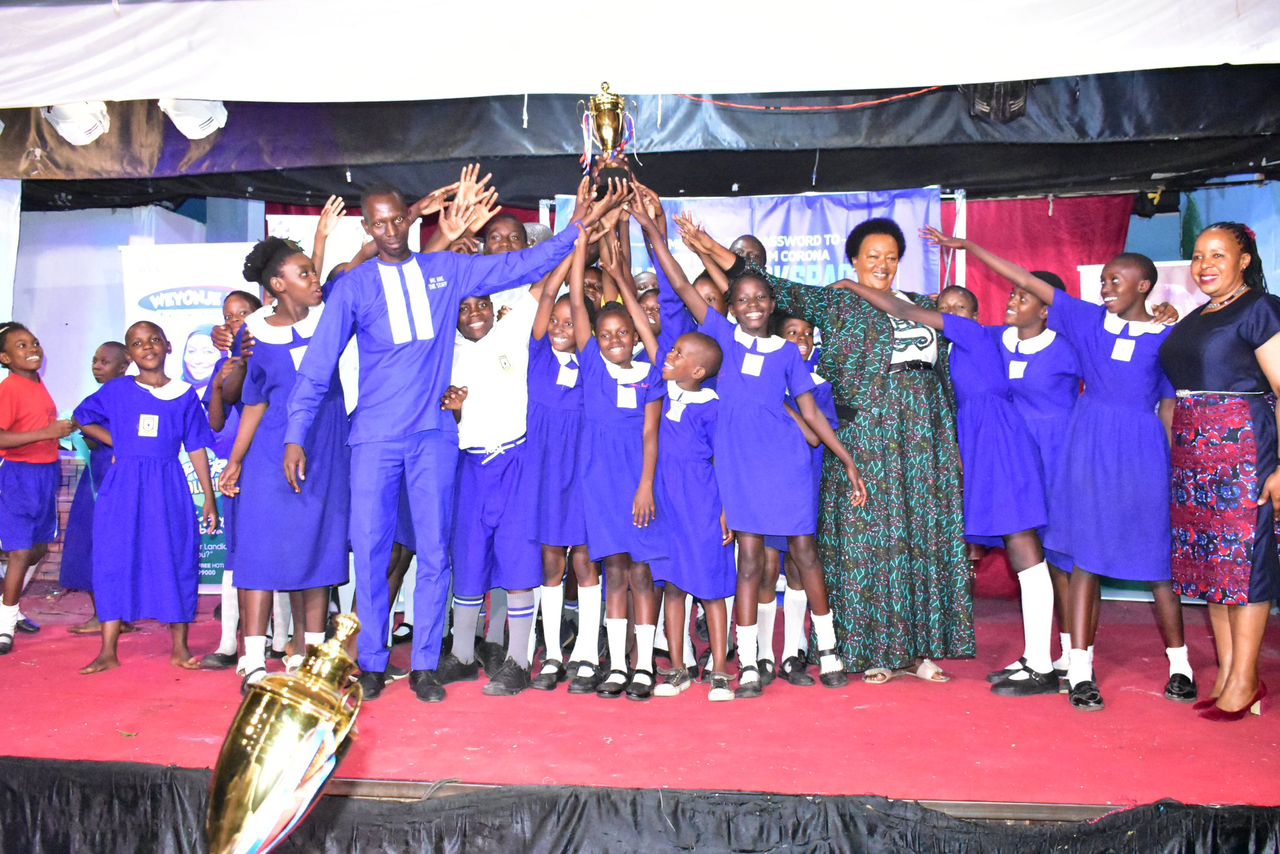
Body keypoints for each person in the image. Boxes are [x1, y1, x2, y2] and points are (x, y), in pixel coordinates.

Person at [284, 176, 622, 703]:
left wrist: (576, 226)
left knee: (437, 551)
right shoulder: (354, 286)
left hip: (434, 437)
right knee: (370, 551)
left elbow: (518, 267)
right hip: (373, 438)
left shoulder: (444, 270)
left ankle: (424, 665)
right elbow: (319, 365)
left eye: (399, 220)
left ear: (411, 220)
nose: (391, 230)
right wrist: (295, 434)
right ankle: (370, 662)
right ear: (368, 228)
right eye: (380, 223)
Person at [680, 216, 972, 684]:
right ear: (853, 261)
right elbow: (768, 286)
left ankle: (918, 652)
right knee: (870, 549)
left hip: (924, 443)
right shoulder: (837, 301)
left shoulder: (924, 305)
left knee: (919, 543)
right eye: (871, 256)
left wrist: (951, 440)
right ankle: (873, 651)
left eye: (891, 257)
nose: (882, 265)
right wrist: (709, 246)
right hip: (866, 440)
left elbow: (945, 376)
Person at [929, 236, 1193, 711]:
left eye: (1116, 280)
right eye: (1104, 281)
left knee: (1101, 558)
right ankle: (1060, 663)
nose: (1107, 288)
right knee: (1054, 557)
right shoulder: (1015, 337)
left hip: (1084, 453)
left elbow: (1169, 397)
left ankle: (1168, 664)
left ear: (1144, 285)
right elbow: (1020, 282)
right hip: (1030, 457)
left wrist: (1170, 453)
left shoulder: (1097, 339)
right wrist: (968, 246)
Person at [639, 204, 866, 698]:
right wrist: (654, 231)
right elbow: (679, 284)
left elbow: (809, 411)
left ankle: (826, 647)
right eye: (743, 299)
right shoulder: (721, 338)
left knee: (805, 554)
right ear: (732, 306)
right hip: (740, 471)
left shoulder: (787, 353)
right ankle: (746, 662)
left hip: (787, 468)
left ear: (770, 302)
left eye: (761, 297)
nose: (753, 305)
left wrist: (845, 459)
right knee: (748, 562)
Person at [846, 280, 1059, 695]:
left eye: (961, 307)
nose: (952, 314)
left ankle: (1042, 666)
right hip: (979, 441)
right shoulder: (961, 347)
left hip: (998, 439)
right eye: (946, 307)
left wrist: (852, 285)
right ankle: (1036, 658)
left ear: (975, 316)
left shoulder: (971, 334)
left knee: (1023, 544)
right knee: (1018, 548)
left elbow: (902, 309)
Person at [218, 238, 350, 691]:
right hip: (271, 449)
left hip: (327, 445)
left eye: (313, 272)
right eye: (304, 273)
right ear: (277, 284)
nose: (314, 279)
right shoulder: (254, 334)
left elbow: (359, 263)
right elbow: (253, 402)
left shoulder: (331, 317)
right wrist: (236, 460)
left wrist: (323, 238)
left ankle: (309, 654)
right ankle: (253, 659)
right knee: (258, 550)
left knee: (318, 546)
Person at [437, 254, 572, 697]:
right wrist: (452, 412)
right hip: (471, 465)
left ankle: (517, 660)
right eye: (463, 307)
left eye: (482, 305)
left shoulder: (512, 333)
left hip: (516, 461)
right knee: (470, 556)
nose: (474, 313)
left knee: (518, 559)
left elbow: (547, 288)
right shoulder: (445, 353)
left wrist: (579, 234)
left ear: (496, 308)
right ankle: (460, 654)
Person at [1160, 222, 1276, 720]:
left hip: (1241, 448)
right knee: (1212, 565)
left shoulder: (1262, 310)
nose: (1204, 265)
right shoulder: (1198, 314)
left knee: (1243, 563)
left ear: (1244, 260)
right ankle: (1230, 671)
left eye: (1217, 255)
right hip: (1194, 453)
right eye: (1198, 256)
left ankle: (1246, 680)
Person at [74, 320, 219, 673]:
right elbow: (82, 417)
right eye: (138, 343)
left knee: (175, 557)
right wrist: (118, 442)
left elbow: (197, 446)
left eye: (154, 340)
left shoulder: (185, 395)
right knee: (114, 558)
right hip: (123, 486)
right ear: (130, 353)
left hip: (167, 485)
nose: (148, 347)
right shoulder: (118, 390)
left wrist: (211, 498)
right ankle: (108, 651)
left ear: (168, 346)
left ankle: (180, 649)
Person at [567, 229, 667, 701]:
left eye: (622, 333)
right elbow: (575, 294)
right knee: (614, 572)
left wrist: (622, 280)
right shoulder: (591, 364)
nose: (614, 341)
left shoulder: (651, 372)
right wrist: (583, 241)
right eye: (606, 334)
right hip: (599, 484)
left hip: (639, 483)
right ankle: (617, 663)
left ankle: (645, 664)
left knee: (642, 572)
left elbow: (652, 433)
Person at [651, 331, 736, 701]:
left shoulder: (714, 407)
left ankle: (719, 669)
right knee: (672, 584)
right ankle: (678, 667)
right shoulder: (660, 391)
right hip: (664, 500)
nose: (669, 355)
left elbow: (726, 460)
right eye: (671, 349)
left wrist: (725, 509)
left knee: (711, 588)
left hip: (701, 500)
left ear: (699, 370)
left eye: (679, 353)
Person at [524, 260, 594, 692]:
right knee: (551, 561)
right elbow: (546, 297)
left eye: (570, 321)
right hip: (546, 477)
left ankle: (586, 652)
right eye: (555, 320)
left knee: (585, 562)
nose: (559, 326)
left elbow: (582, 316)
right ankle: (551, 653)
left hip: (583, 477)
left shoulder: (594, 366)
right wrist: (570, 253)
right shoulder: (537, 357)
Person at [0, 323, 74, 654]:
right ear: (4, 358)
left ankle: (9, 607)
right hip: (18, 475)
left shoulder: (37, 383)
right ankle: (5, 625)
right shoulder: (10, 388)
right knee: (19, 551)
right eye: (20, 345)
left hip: (46, 474)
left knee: (39, 548)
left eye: (34, 342)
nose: (32, 348)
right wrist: (47, 433)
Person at [61, 341, 131, 636]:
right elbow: (80, 418)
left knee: (97, 543)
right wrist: (110, 439)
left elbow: (81, 417)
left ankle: (112, 615)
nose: (97, 366)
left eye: (104, 362)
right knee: (90, 542)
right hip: (99, 475)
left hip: (112, 479)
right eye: (94, 361)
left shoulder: (126, 391)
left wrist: (116, 442)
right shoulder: (106, 395)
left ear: (124, 366)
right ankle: (105, 614)